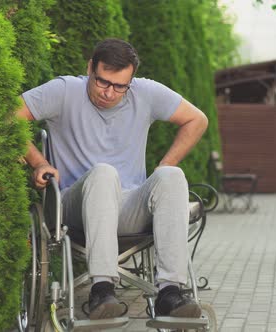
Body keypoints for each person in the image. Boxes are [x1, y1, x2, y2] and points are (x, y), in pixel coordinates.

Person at [16, 38, 208, 320]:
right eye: (103, 82)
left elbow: (197, 119)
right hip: (75, 205)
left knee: (172, 175)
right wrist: (39, 162)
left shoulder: (145, 92)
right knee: (104, 172)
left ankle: (170, 293)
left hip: (128, 207)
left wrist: (164, 164)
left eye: (120, 86)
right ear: (90, 68)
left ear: (131, 80)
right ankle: (102, 291)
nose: (110, 93)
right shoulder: (64, 90)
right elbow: (11, 116)